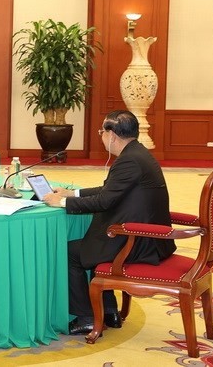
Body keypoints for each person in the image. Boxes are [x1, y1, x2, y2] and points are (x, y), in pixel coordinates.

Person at [42, 110, 176, 335]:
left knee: (70, 253)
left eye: (101, 132)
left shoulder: (129, 161)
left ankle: (85, 317)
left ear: (111, 134)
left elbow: (105, 200)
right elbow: (110, 190)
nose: (101, 137)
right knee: (92, 248)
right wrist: (73, 193)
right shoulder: (137, 153)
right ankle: (110, 311)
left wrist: (62, 202)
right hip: (147, 235)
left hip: (138, 241)